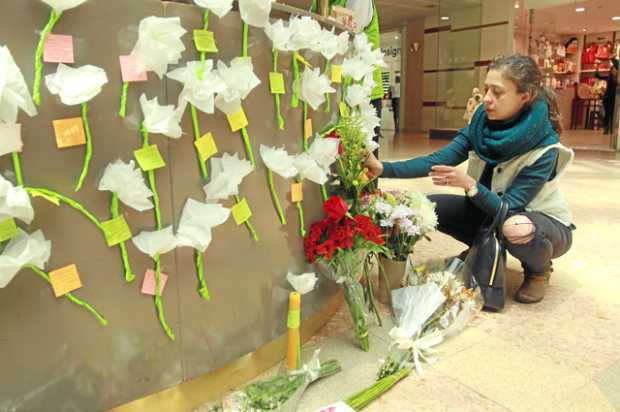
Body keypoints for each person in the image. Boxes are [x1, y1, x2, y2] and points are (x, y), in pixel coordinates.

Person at [365, 55, 575, 304]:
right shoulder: (482, 123)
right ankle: (481, 250)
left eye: (497, 92)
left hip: (540, 224)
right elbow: (441, 158)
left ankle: (539, 270)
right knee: (421, 208)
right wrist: (383, 168)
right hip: (488, 212)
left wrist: (470, 185)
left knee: (516, 227)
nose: (487, 98)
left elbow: (509, 208)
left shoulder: (545, 148)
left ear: (525, 96)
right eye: (487, 89)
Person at [312, 0, 383, 156]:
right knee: (337, 161)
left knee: (359, 166)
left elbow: (346, 33)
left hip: (361, 95)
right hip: (340, 93)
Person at [596, 58, 618, 134]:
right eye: (612, 70)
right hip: (607, 99)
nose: (614, 71)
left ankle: (611, 129)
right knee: (607, 114)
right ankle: (606, 128)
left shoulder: (618, 80)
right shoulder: (608, 78)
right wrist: (597, 67)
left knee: (613, 114)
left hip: (615, 99)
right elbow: (597, 76)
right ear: (611, 71)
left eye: (615, 70)